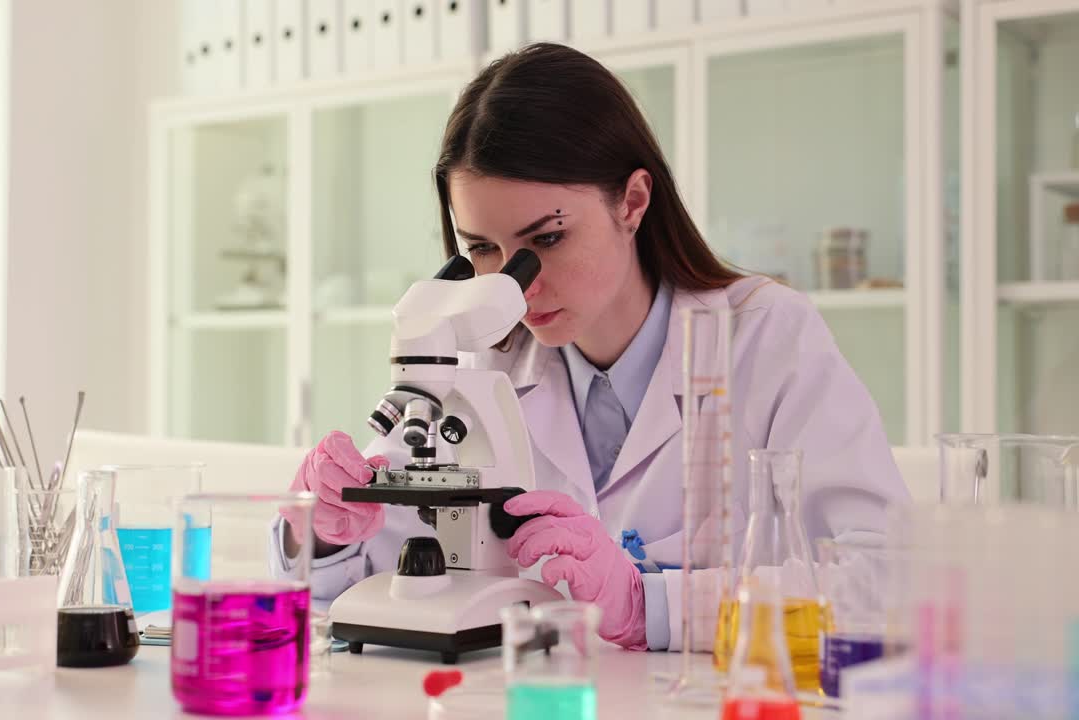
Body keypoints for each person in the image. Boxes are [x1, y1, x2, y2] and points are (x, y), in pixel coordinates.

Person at [274, 43, 909, 652]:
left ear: (632, 202)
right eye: (481, 250)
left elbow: (885, 582)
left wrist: (650, 606)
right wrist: (324, 529)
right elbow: (371, 579)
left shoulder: (767, 337)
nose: (515, 287)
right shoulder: (479, 361)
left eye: (547, 239)